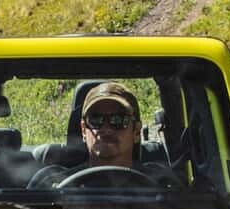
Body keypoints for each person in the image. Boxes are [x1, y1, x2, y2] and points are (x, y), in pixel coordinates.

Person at [29, 81, 172, 189]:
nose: (106, 129)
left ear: (136, 131)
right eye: (95, 120)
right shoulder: (50, 183)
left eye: (118, 120)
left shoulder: (163, 183)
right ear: (83, 130)